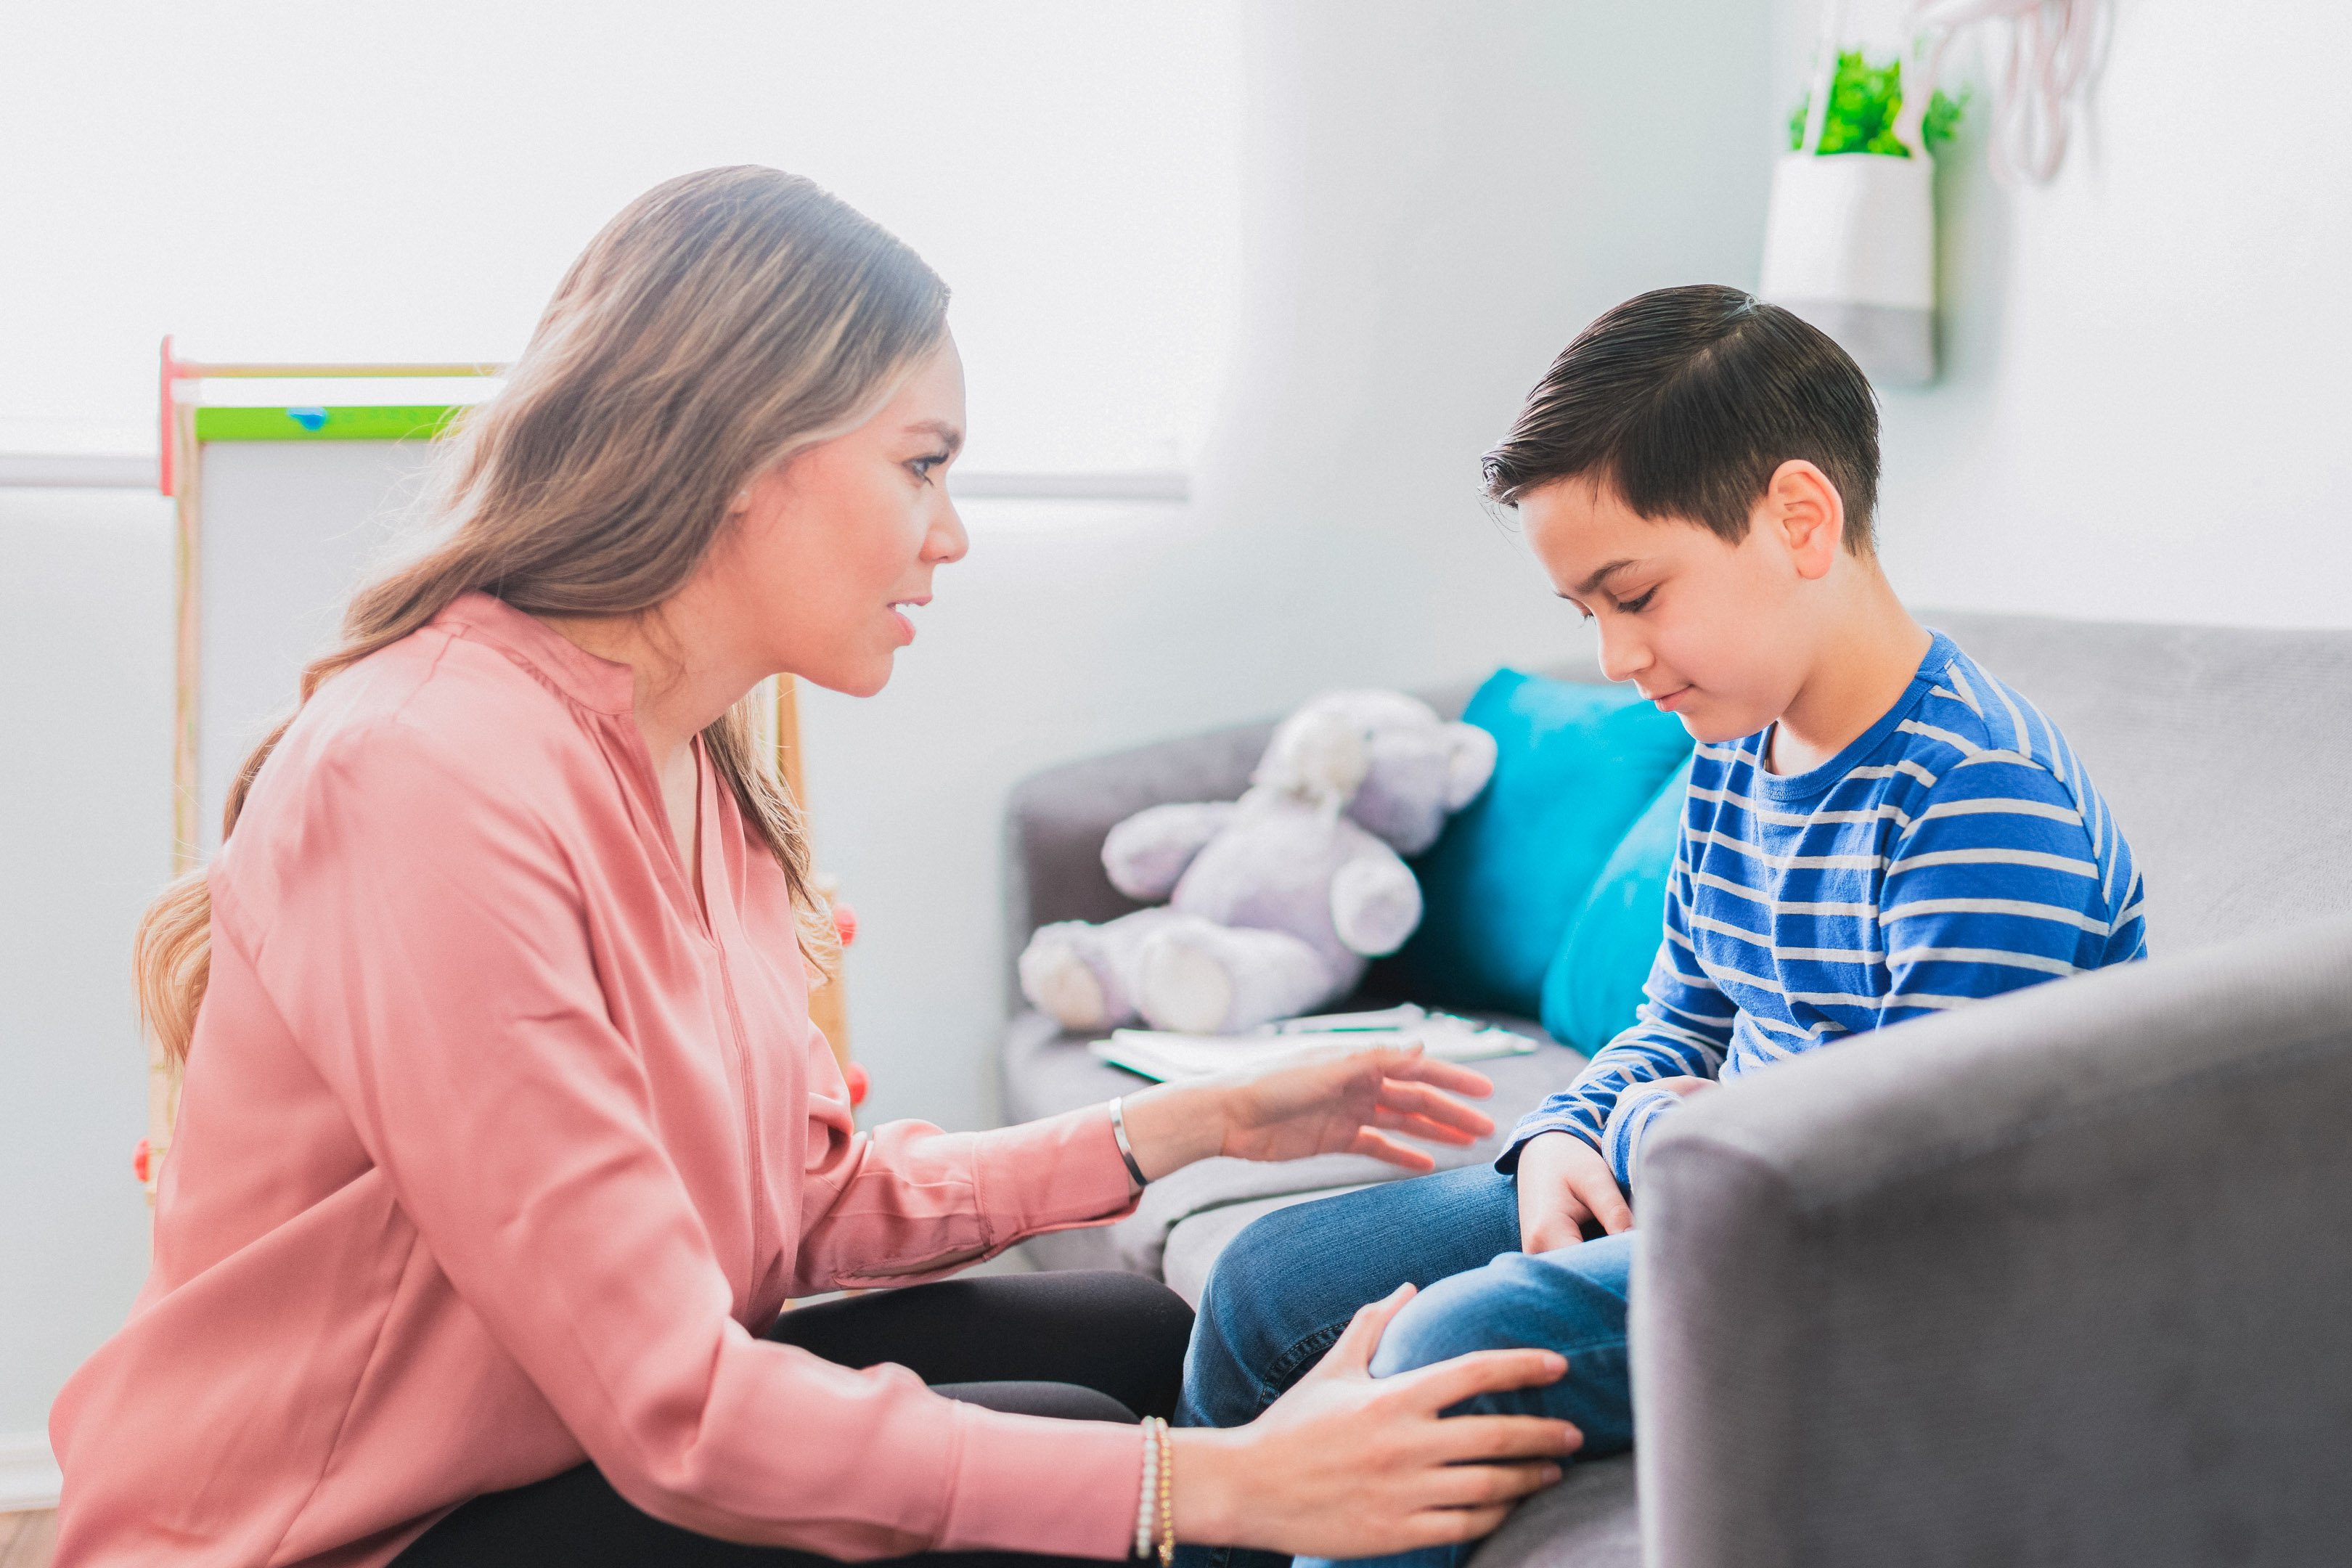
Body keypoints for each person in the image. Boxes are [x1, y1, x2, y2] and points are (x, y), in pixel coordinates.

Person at [47, 168, 1583, 1568]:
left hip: (540, 1448)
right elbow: (678, 1414)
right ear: (740, 452)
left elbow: (792, 1200)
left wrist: (1187, 1124)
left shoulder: (689, 761)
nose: (952, 536)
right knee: (1126, 1467)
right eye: (922, 464)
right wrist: (1213, 1488)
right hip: (340, 1535)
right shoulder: (426, 779)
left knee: (1135, 1332)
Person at [1176, 285, 2148, 1568]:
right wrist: (1569, 1131)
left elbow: (1898, 1176)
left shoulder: (1977, 799)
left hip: (1840, 1260)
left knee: (1443, 1354)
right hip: (1707, 1189)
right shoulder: (1740, 750)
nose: (1619, 657)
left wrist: (1641, 1128)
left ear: (1801, 518)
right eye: (1587, 614)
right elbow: (1679, 1016)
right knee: (1264, 1285)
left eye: (1634, 593)